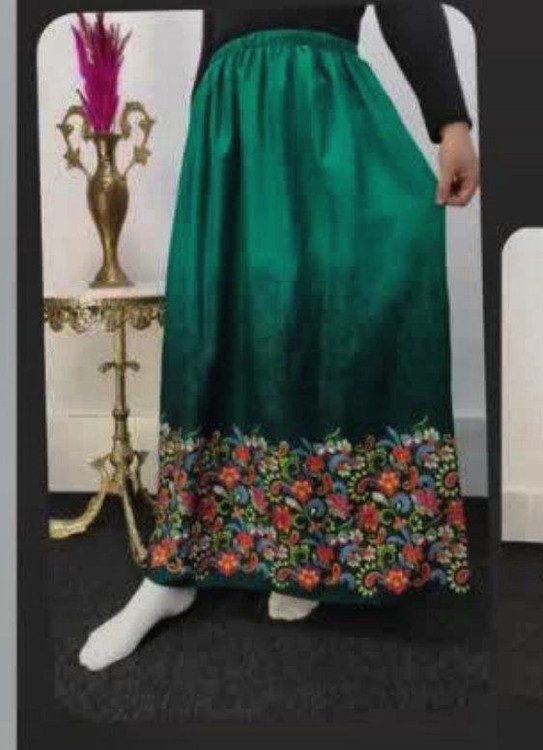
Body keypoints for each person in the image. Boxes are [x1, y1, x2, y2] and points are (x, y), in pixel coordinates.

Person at [79, 4, 480, 672]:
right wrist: (207, 116)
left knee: (319, 316)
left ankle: (307, 551)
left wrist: (451, 121)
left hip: (321, 102)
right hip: (229, 116)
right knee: (221, 320)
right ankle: (174, 569)